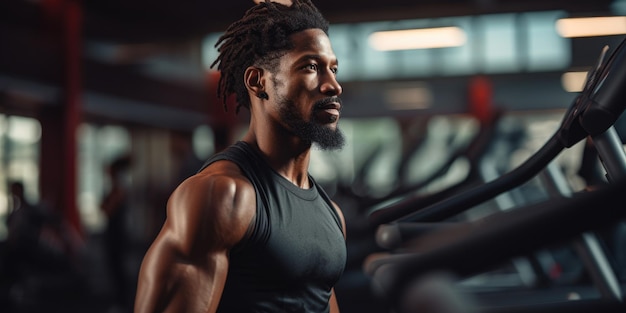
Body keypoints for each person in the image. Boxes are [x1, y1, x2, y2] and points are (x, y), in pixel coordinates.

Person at [134, 0, 348, 312]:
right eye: (310, 67)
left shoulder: (332, 215)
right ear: (257, 81)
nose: (333, 85)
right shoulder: (221, 197)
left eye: (333, 68)